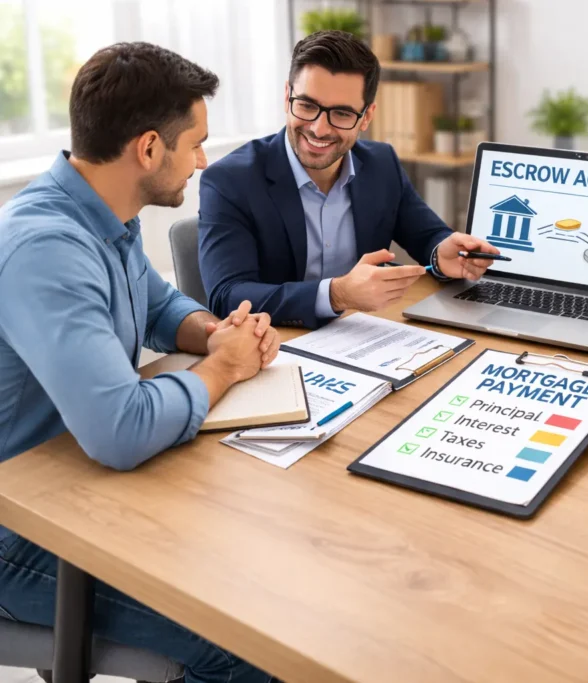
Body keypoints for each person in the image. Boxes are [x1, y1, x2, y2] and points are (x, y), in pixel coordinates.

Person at [0, 42, 280, 683]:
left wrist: (218, 334)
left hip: (80, 488)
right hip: (18, 531)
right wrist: (224, 369)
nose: (203, 161)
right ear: (149, 149)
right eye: (196, 144)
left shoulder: (104, 217)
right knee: (248, 642)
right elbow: (121, 429)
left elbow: (158, 306)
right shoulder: (47, 248)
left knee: (262, 566)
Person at [198, 30, 500, 329]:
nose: (319, 128)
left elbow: (428, 236)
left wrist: (442, 254)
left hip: (363, 334)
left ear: (366, 117)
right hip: (276, 343)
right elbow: (227, 296)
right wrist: (336, 294)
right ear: (287, 96)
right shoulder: (230, 181)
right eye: (307, 105)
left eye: (341, 113)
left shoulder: (381, 164)